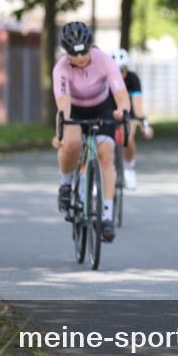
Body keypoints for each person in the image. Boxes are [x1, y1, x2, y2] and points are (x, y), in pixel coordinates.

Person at [52, 21, 129, 242]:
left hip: (102, 107)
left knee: (106, 156)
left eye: (84, 52)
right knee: (72, 143)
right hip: (74, 108)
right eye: (73, 55)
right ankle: (66, 185)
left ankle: (106, 215)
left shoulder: (105, 61)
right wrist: (63, 128)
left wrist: (122, 109)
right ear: (66, 53)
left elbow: (120, 93)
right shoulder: (61, 69)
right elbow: (64, 101)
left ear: (91, 46)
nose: (80, 58)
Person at [111, 48, 153, 189]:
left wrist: (145, 125)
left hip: (127, 113)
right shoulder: (105, 79)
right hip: (108, 112)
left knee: (127, 138)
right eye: (116, 71)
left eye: (123, 70)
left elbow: (138, 106)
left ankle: (129, 168)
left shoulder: (133, 79)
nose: (120, 75)